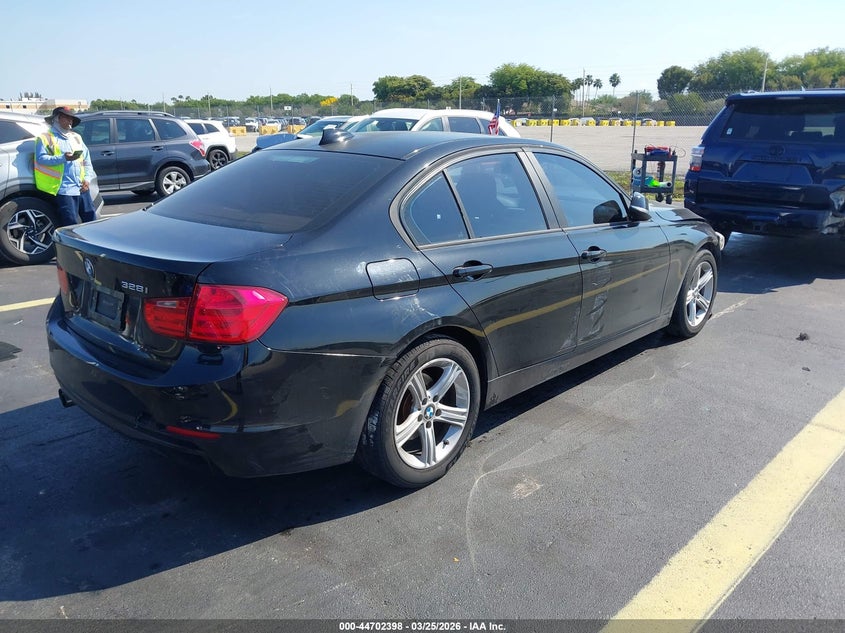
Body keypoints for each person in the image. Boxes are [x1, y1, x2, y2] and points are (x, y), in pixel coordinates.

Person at [34, 106, 97, 227]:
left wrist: (87, 179)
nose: (70, 121)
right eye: (67, 118)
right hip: (64, 189)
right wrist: (63, 158)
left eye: (71, 118)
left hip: (81, 186)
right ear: (57, 119)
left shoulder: (76, 137)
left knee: (91, 220)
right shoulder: (45, 138)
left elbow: (87, 160)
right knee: (70, 223)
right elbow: (41, 159)